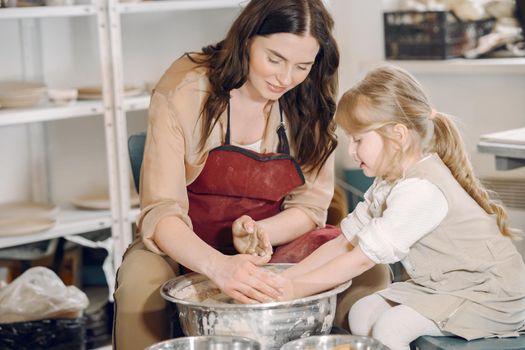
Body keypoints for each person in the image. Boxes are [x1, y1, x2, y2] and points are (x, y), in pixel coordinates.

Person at [113, 1, 390, 349]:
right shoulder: (186, 88)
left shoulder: (310, 98)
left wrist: (261, 233)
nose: (285, 78)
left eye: (302, 65)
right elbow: (161, 211)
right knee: (141, 280)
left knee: (370, 269)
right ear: (246, 40)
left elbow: (309, 208)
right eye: (274, 59)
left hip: (272, 246)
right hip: (186, 245)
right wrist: (219, 266)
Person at [277, 65, 525, 350]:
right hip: (445, 286)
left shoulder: (421, 190)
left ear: (398, 135)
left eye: (358, 139)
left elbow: (360, 259)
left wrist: (296, 290)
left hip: (489, 294)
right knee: (362, 313)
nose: (351, 150)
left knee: (390, 327)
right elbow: (345, 243)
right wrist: (285, 279)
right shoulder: (389, 182)